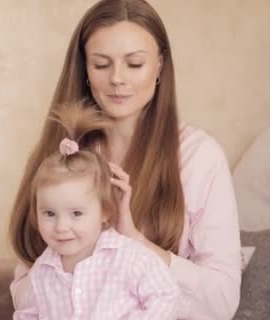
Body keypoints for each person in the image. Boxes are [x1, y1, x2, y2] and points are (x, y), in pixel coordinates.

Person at [8, 0, 241, 318]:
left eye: (134, 64)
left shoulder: (200, 158)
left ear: (159, 65)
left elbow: (222, 302)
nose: (117, 78)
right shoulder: (63, 152)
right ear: (85, 70)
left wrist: (134, 241)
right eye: (101, 64)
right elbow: (25, 288)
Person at [12, 102, 179, 319]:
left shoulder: (129, 258)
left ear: (105, 212)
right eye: (49, 213)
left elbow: (165, 295)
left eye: (77, 214)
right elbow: (27, 314)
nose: (61, 227)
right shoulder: (42, 272)